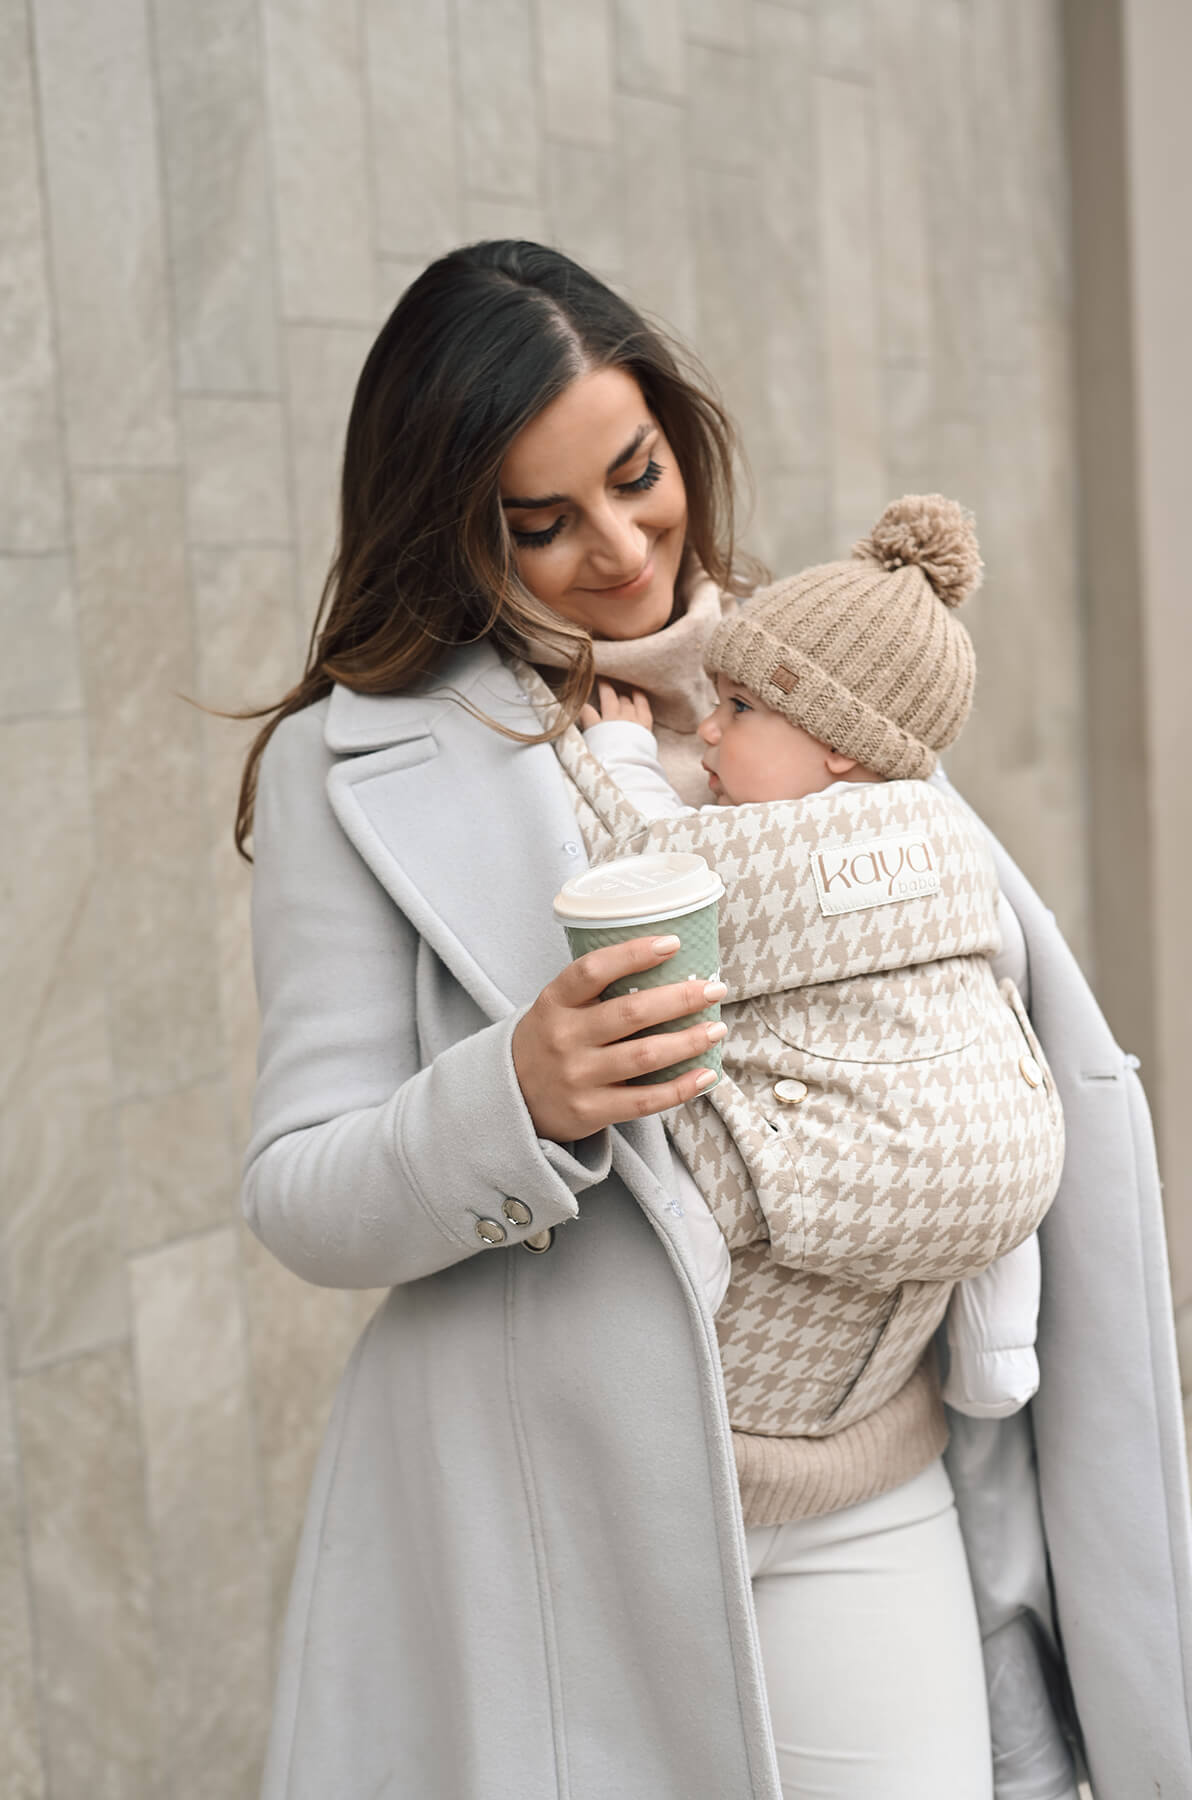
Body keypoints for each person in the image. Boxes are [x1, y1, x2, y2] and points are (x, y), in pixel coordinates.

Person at [237, 240, 1192, 1799]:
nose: (620, 548)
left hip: (859, 1483)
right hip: (551, 1526)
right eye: (541, 522)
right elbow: (300, 1192)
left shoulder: (819, 673)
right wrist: (516, 1096)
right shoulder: (355, 768)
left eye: (639, 476)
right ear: (452, 523)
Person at [567, 493, 1062, 1443]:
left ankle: (675, 1307)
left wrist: (622, 750)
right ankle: (999, 1347)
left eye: (740, 708)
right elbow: (1002, 956)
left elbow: (651, 859)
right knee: (999, 1144)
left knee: (695, 1134)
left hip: (830, 1156)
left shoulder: (775, 844)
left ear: (838, 745)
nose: (710, 731)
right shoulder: (952, 832)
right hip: (1004, 1146)